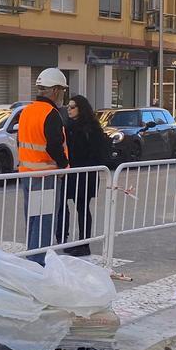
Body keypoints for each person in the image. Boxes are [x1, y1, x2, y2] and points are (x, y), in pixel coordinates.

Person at [18, 67, 70, 264]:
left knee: (33, 218)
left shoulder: (26, 111)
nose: (63, 95)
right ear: (55, 90)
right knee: (45, 219)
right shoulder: (51, 113)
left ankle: (33, 256)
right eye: (62, 90)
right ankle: (38, 261)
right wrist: (64, 166)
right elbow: (54, 145)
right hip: (45, 175)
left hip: (26, 174)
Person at [62, 94, 112, 257]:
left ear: (81, 109)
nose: (68, 110)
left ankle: (84, 244)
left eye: (72, 107)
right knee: (63, 205)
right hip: (70, 173)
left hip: (85, 174)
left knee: (82, 208)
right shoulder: (68, 126)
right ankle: (65, 239)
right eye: (68, 107)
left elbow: (97, 153)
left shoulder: (92, 128)